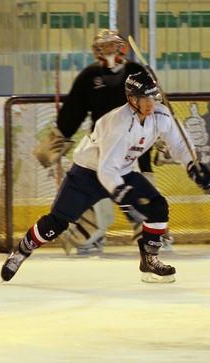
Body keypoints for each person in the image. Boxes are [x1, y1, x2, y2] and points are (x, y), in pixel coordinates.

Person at [1, 71, 210, 283]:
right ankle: (21, 252)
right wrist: (121, 192)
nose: (150, 103)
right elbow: (106, 168)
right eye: (144, 98)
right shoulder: (117, 123)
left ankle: (150, 259)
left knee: (158, 207)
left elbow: (178, 144)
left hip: (122, 171)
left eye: (152, 97)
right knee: (56, 223)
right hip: (87, 173)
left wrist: (192, 164)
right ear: (132, 99)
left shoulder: (161, 115)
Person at [33, 29, 154, 254]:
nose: (108, 51)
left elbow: (154, 107)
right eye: (104, 46)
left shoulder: (136, 72)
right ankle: (89, 232)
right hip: (102, 147)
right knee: (95, 188)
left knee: (139, 193)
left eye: (112, 45)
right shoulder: (89, 77)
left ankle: (150, 233)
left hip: (135, 146)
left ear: (121, 48)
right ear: (97, 51)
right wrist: (59, 137)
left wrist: (162, 137)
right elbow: (73, 111)